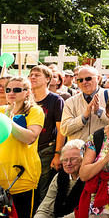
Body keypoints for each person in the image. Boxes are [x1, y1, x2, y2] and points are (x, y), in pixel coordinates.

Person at [0, 77, 44, 218]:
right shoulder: (0, 110)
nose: (11, 93)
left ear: (27, 92)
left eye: (17, 89)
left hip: (22, 177)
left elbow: (30, 137)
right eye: (8, 90)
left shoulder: (35, 111)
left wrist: (9, 121)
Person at [29, 64, 66, 206]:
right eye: (31, 74)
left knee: (43, 193)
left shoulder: (56, 100)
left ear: (47, 79)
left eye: (37, 75)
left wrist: (57, 154)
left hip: (45, 151)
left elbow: (61, 129)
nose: (32, 77)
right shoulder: (27, 99)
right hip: (27, 151)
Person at [61, 67, 109, 141]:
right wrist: (84, 117)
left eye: (88, 78)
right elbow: (64, 130)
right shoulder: (71, 102)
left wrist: (99, 112)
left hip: (104, 149)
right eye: (80, 80)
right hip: (79, 150)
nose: (84, 82)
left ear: (98, 78)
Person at [34, 139, 86, 218]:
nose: (68, 164)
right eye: (65, 160)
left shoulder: (90, 179)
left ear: (83, 160)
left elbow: (85, 211)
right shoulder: (59, 177)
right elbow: (45, 208)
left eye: (73, 159)